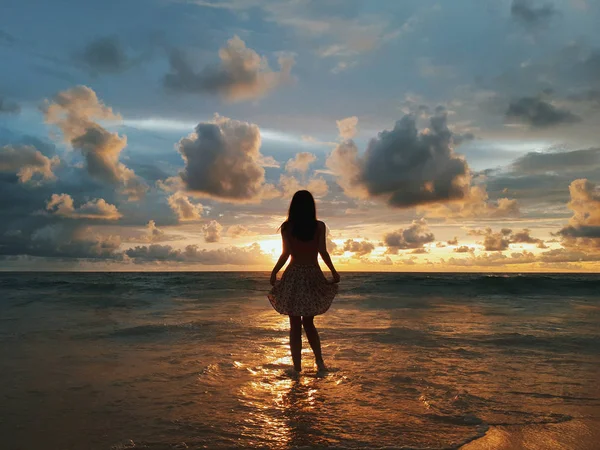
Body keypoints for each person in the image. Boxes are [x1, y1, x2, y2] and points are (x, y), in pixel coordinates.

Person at [268, 190, 341, 374]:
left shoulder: (287, 227)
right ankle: (319, 362)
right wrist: (333, 271)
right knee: (309, 322)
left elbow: (285, 254)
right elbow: (323, 251)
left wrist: (275, 271)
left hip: (293, 275)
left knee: (294, 324)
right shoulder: (319, 226)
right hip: (312, 275)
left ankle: (297, 367)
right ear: (311, 207)